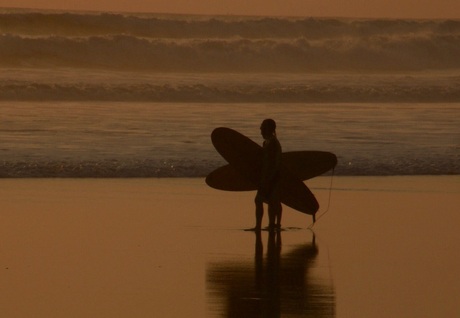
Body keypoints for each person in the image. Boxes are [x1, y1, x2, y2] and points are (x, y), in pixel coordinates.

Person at [254, 119, 282, 231]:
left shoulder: (273, 143)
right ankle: (272, 225)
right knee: (271, 201)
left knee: (261, 200)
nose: (260, 129)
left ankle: (265, 226)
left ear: (268, 129)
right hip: (267, 177)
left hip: (272, 177)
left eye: (262, 127)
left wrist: (269, 178)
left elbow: (275, 162)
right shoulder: (267, 142)